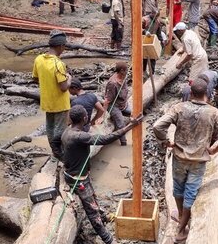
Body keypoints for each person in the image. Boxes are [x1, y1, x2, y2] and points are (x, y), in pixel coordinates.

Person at [153, 78, 218, 243]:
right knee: (190, 193)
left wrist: (166, 142)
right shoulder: (214, 112)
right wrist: (215, 149)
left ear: (191, 93)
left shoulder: (179, 108)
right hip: (198, 160)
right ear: (207, 94)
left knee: (178, 189)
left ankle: (181, 217)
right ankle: (182, 229)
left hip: (179, 157)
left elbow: (157, 126)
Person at [62, 105, 142, 244]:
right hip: (77, 179)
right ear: (85, 118)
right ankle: (108, 239)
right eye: (87, 115)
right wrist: (130, 126)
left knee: (92, 197)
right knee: (92, 212)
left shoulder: (67, 131)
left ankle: (103, 216)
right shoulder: (80, 136)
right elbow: (105, 139)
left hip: (74, 174)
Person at [32, 30, 72, 160]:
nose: (64, 49)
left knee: (49, 127)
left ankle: (54, 151)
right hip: (60, 103)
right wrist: (69, 78)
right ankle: (59, 153)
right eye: (64, 46)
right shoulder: (58, 64)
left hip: (47, 101)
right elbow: (63, 87)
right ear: (60, 46)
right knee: (60, 129)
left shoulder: (39, 59)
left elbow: (35, 78)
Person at [103, 62, 131, 146]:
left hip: (123, 104)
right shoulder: (113, 83)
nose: (128, 72)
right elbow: (107, 100)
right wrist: (103, 116)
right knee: (121, 124)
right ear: (121, 71)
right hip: (114, 106)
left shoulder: (123, 77)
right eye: (126, 70)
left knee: (136, 114)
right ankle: (123, 143)